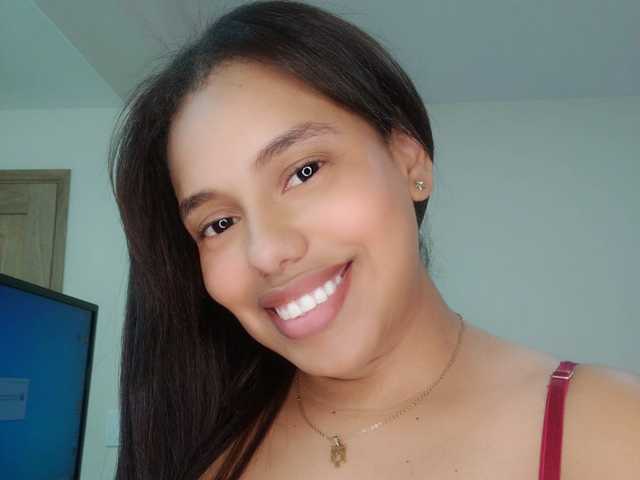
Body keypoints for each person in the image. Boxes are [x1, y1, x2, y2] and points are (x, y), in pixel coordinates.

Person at [108, 1, 640, 479]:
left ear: (410, 162)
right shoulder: (199, 454)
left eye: (304, 171)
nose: (267, 252)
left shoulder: (615, 429)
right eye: (219, 224)